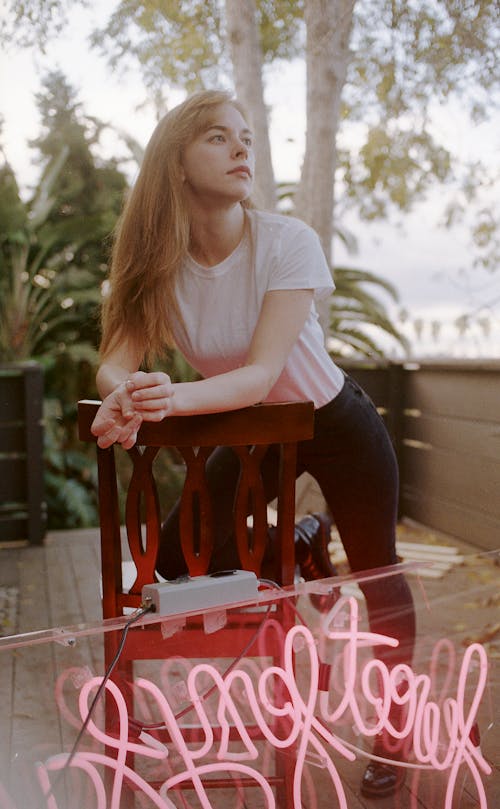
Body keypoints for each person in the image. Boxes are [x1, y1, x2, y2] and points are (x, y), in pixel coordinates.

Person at [91, 89, 416, 798]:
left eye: (244, 136)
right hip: (248, 434)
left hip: (332, 422)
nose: (242, 148)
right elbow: (115, 359)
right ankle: (296, 542)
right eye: (216, 137)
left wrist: (164, 398)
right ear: (175, 164)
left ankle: (396, 734)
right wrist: (124, 390)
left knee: (376, 574)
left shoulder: (287, 240)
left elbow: (263, 374)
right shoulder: (157, 264)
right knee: (173, 562)